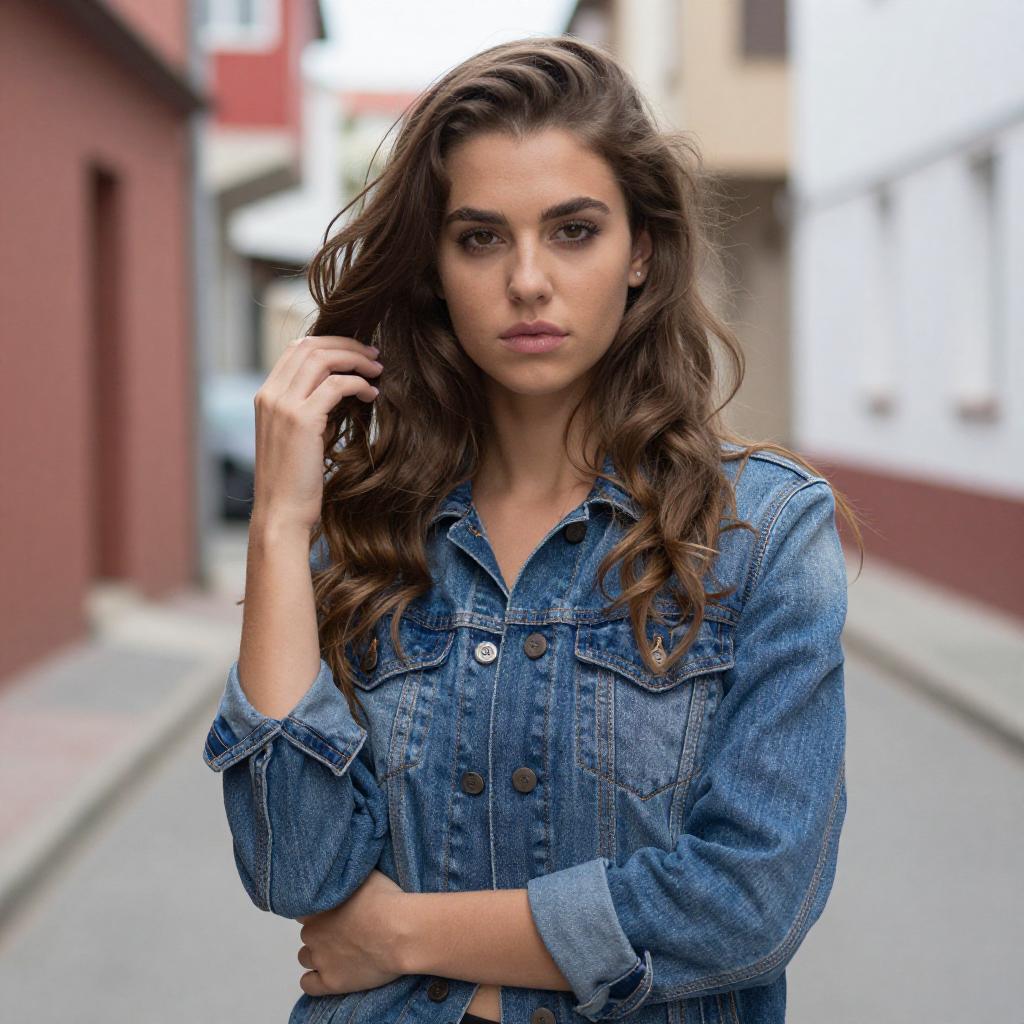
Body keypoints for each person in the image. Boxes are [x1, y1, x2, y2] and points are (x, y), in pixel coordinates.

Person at [202, 35, 861, 1024]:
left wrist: (405, 937)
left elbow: (747, 901)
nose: (526, 280)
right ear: (431, 266)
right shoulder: (358, 538)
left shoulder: (764, 535)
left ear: (640, 250)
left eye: (572, 231)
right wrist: (279, 522)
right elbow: (296, 867)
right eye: (479, 238)